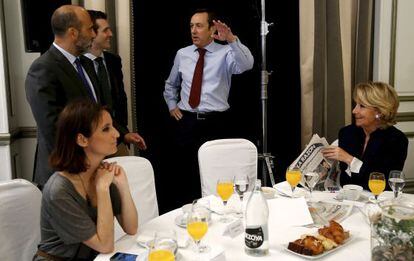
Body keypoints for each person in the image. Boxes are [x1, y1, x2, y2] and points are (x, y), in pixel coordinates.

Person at [163, 9, 254, 204]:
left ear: (212, 29)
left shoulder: (226, 52)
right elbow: (171, 84)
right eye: (191, 26)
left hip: (216, 123)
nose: (193, 31)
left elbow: (247, 64)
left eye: (199, 26)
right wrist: (172, 105)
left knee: (218, 173)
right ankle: (190, 216)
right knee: (187, 173)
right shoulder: (183, 54)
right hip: (186, 122)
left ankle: (219, 213)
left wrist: (231, 39)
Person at [33, 99, 138, 260]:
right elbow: (105, 245)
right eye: (106, 129)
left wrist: (123, 185)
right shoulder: (59, 190)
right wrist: (102, 189)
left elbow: (131, 228)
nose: (116, 134)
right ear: (82, 139)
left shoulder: (101, 172)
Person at [25, 5, 98, 188]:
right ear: (73, 33)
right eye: (90, 28)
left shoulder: (86, 64)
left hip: (90, 166)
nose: (93, 34)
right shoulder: (43, 68)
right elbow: (52, 127)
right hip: (63, 172)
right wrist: (87, 155)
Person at [322, 82, 408, 190]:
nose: (354, 111)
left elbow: (384, 183)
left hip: (378, 200)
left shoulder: (396, 140)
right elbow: (347, 180)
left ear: (380, 112)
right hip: (348, 198)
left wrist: (350, 160)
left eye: (362, 106)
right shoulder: (347, 133)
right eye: (356, 105)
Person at [84, 10, 147, 154]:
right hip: (91, 144)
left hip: (116, 139)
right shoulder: (78, 66)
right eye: (105, 30)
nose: (110, 34)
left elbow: (119, 101)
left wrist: (124, 133)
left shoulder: (113, 60)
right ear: (92, 34)